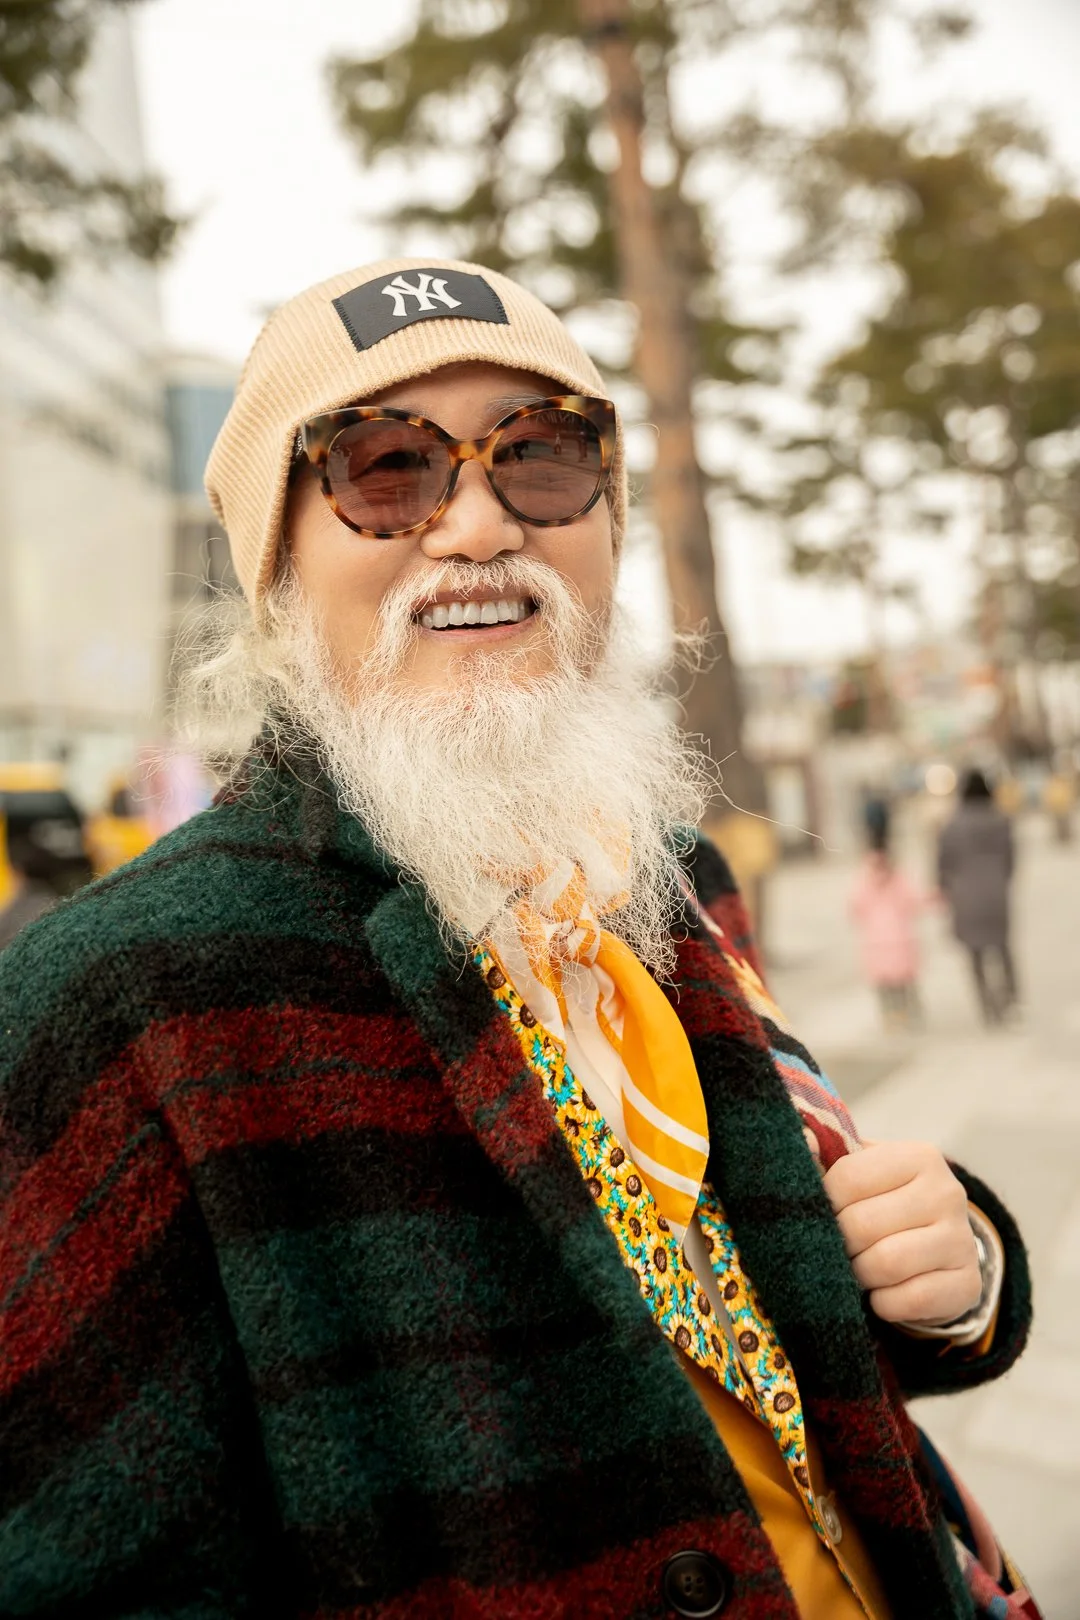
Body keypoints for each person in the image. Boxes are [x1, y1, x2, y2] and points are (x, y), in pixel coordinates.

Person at [0, 259, 1034, 1619]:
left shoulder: (672, 878)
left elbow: (805, 1309)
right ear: (276, 570)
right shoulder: (121, 992)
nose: (478, 524)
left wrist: (964, 1278)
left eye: (539, 456)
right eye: (386, 469)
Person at [938, 769, 1018, 1026]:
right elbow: (1011, 860)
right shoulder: (1001, 820)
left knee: (975, 954)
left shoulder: (952, 825)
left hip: (965, 897)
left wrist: (945, 890)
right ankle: (1011, 1000)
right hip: (996, 894)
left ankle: (987, 1006)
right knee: (1003, 947)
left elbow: (942, 865)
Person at [848, 833, 924, 1031]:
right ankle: (910, 1014)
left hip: (876, 941)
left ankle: (890, 1018)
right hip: (901, 938)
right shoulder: (899, 877)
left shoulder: (864, 879)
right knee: (904, 983)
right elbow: (913, 902)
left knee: (885, 986)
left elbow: (855, 907)